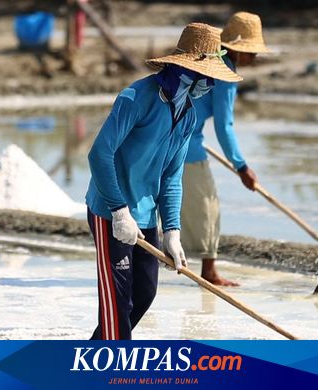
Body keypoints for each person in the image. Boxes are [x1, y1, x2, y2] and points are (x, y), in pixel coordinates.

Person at [85, 23, 242, 340]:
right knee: (117, 305)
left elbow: (172, 175)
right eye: (208, 77)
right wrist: (118, 210)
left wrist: (172, 231)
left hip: (144, 216)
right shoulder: (137, 97)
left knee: (144, 294)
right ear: (188, 70)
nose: (210, 85)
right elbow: (99, 154)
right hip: (110, 212)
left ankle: (89, 361)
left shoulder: (187, 114)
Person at [181, 12, 271, 287]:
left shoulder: (207, 58)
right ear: (234, 48)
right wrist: (241, 166)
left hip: (173, 139)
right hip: (185, 147)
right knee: (208, 206)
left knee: (169, 205)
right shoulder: (225, 73)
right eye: (250, 52)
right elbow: (224, 126)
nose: (253, 59)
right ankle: (208, 270)